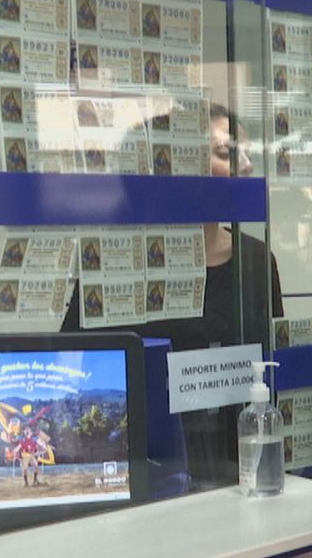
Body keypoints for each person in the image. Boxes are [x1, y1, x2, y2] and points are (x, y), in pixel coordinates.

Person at [61, 104, 283, 488]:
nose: (246, 167)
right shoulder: (115, 267)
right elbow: (78, 380)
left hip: (241, 477)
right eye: (227, 153)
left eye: (247, 154)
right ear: (171, 167)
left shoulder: (255, 261)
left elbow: (273, 369)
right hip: (145, 483)